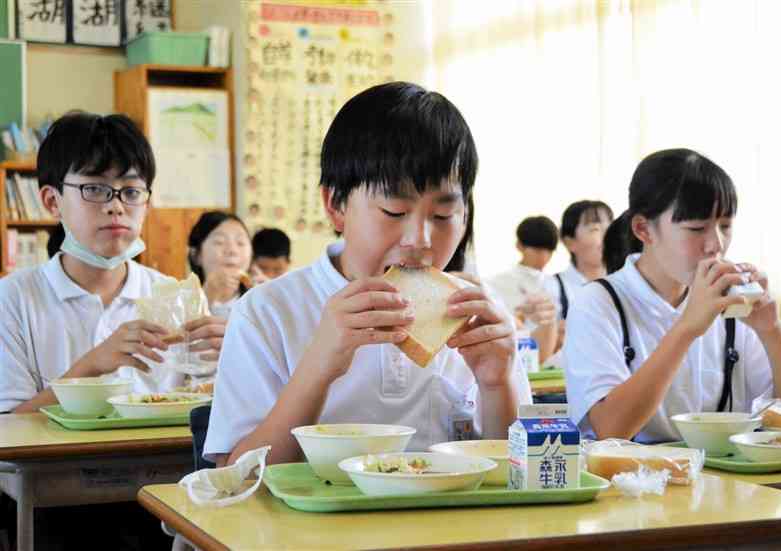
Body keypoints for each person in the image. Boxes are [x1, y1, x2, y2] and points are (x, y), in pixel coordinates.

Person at [204, 82, 532, 466]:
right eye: (395, 211)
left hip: (449, 526)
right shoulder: (267, 311)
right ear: (336, 205)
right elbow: (236, 478)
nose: (420, 240)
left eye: (443, 215)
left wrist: (498, 384)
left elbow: (520, 473)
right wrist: (319, 367)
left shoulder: (477, 313)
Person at [565, 148, 781, 443]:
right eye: (697, 228)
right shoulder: (598, 302)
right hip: (634, 484)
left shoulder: (733, 302)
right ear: (643, 230)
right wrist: (687, 328)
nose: (716, 244)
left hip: (727, 482)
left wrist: (772, 330)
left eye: (725, 226)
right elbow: (611, 429)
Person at [0, 111, 228, 413]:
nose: (116, 206)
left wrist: (235, 360)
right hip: (54, 462)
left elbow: (205, 412)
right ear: (52, 202)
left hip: (160, 461)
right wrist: (92, 366)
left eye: (132, 191)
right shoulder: (12, 299)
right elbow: (7, 430)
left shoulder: (175, 296)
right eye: (94, 189)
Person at [488, 216, 560, 363]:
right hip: (512, 359)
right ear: (519, 246)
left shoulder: (554, 283)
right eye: (537, 250)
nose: (544, 257)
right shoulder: (497, 283)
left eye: (549, 251)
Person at [544, 200, 613, 320]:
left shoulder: (628, 282)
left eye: (611, 227)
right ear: (569, 242)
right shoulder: (551, 288)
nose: (608, 235)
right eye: (595, 229)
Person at [188, 210, 265, 318]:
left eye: (240, 243)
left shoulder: (261, 297)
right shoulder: (179, 300)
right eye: (219, 242)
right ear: (196, 255)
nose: (232, 251)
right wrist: (206, 296)